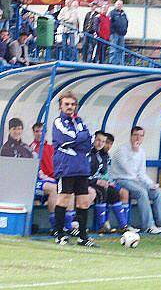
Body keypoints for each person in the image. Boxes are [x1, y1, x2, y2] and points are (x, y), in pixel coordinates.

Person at [110, 126, 161, 234]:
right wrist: (134, 152)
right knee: (142, 192)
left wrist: (151, 184)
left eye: (141, 135)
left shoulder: (141, 151)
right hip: (121, 179)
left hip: (136, 181)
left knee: (158, 192)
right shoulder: (121, 150)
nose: (138, 138)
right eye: (136, 135)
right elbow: (129, 170)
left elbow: (141, 173)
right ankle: (149, 225)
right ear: (131, 136)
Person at [51, 91, 95, 247]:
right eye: (67, 104)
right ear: (61, 106)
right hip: (66, 166)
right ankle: (60, 234)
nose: (70, 107)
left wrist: (77, 139)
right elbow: (65, 139)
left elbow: (88, 141)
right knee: (63, 199)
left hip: (82, 167)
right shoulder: (58, 122)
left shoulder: (80, 121)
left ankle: (83, 237)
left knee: (83, 202)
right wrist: (79, 138)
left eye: (72, 104)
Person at [88, 131, 134, 233]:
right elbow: (84, 174)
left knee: (113, 192)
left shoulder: (104, 155)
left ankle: (123, 225)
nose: (101, 143)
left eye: (103, 142)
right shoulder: (88, 154)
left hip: (98, 182)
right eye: (98, 140)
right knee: (101, 192)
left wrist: (107, 181)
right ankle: (102, 226)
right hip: (87, 182)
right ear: (93, 140)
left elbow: (104, 173)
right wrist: (97, 181)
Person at [30, 122, 59, 234]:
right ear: (33, 133)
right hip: (37, 182)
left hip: (52, 180)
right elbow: (36, 171)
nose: (39, 133)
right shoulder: (31, 148)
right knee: (54, 188)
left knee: (70, 187)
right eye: (37, 131)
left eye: (42, 131)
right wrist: (47, 177)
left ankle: (70, 223)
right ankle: (54, 226)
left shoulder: (51, 148)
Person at [109, 0, 128, 65]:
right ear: (115, 5)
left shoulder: (124, 14)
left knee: (121, 49)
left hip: (122, 34)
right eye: (118, 4)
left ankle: (120, 63)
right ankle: (112, 63)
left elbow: (126, 22)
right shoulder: (112, 13)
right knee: (113, 49)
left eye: (120, 4)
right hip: (114, 34)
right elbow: (109, 23)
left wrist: (125, 30)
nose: (119, 6)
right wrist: (112, 31)